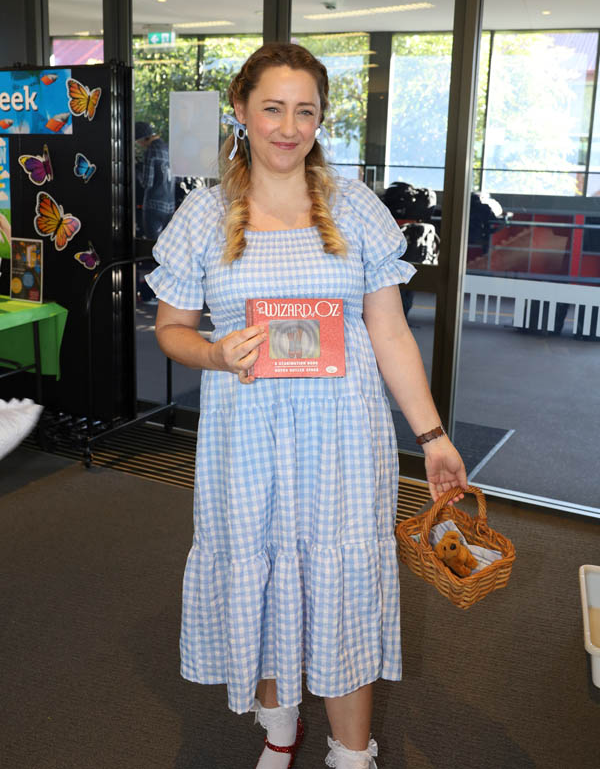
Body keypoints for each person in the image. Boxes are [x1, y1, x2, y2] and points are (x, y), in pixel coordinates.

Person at [147, 43, 467, 769]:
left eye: (305, 111)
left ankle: (352, 754)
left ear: (321, 119)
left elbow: (389, 332)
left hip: (342, 437)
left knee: (340, 583)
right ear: (240, 110)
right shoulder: (203, 215)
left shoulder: (354, 208)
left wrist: (433, 436)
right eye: (272, 109)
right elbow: (171, 330)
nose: (288, 128)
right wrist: (215, 353)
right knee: (263, 573)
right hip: (245, 436)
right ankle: (280, 727)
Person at [134, 120, 175, 240]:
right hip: (170, 206)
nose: (140, 145)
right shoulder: (168, 149)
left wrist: (137, 170)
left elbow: (147, 182)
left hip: (153, 206)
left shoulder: (151, 151)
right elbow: (178, 179)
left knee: (151, 244)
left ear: (143, 138)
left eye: (138, 142)